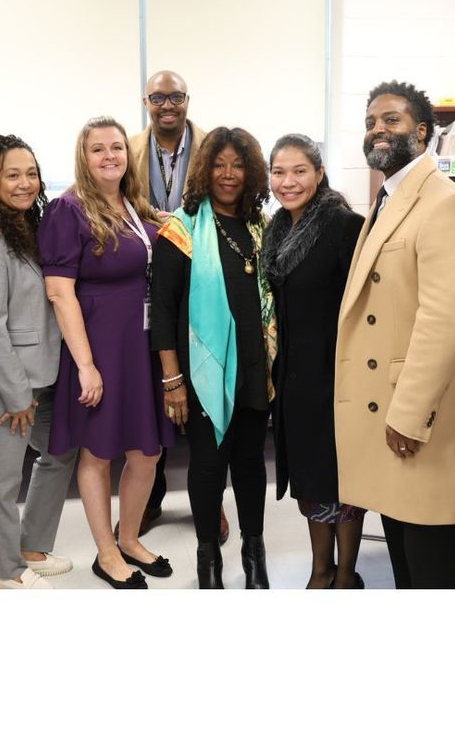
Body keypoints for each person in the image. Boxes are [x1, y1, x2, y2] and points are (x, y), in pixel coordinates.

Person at [335, 82, 455, 589]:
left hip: (419, 419)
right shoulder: (391, 198)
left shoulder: (444, 204)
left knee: (429, 569)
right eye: (370, 122)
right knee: (405, 564)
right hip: (388, 413)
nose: (377, 130)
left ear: (422, 132)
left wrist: (409, 414)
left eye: (391, 120)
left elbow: (443, 323)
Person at [40, 116, 175, 589]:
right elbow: (59, 293)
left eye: (117, 147)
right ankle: (106, 553)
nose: (110, 156)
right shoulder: (68, 210)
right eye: (98, 149)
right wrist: (86, 366)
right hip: (98, 344)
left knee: (148, 451)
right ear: (84, 156)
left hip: (141, 345)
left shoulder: (136, 207)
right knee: (98, 452)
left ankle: (131, 537)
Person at [150, 127, 276, 588]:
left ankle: (254, 553)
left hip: (255, 368)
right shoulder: (181, 229)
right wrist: (172, 380)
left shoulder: (261, 224)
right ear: (205, 169)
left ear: (251, 171)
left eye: (238, 165)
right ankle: (209, 562)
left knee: (250, 465)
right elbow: (161, 309)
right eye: (219, 164)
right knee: (207, 465)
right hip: (204, 372)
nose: (228, 174)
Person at [0, 134, 79, 590]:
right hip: (13, 383)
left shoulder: (35, 227)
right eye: (13, 175)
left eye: (31, 174)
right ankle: (6, 572)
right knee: (4, 479)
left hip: (49, 372)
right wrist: (15, 394)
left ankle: (31, 546)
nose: (24, 183)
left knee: (60, 452)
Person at [262, 134, 366, 589]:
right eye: (279, 172)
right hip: (295, 378)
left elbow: (366, 308)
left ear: (320, 173)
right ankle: (319, 569)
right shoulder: (277, 229)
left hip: (338, 374)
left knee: (341, 479)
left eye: (299, 171)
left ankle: (344, 574)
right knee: (309, 479)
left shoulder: (346, 226)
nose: (289, 182)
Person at [127, 70, 227, 543]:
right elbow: (116, 200)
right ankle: (149, 499)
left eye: (176, 96)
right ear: (145, 101)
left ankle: (209, 502)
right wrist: (154, 218)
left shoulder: (213, 145)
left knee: (204, 391)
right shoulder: (126, 147)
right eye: (158, 97)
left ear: (188, 99)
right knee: (154, 392)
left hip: (201, 277)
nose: (167, 104)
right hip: (142, 278)